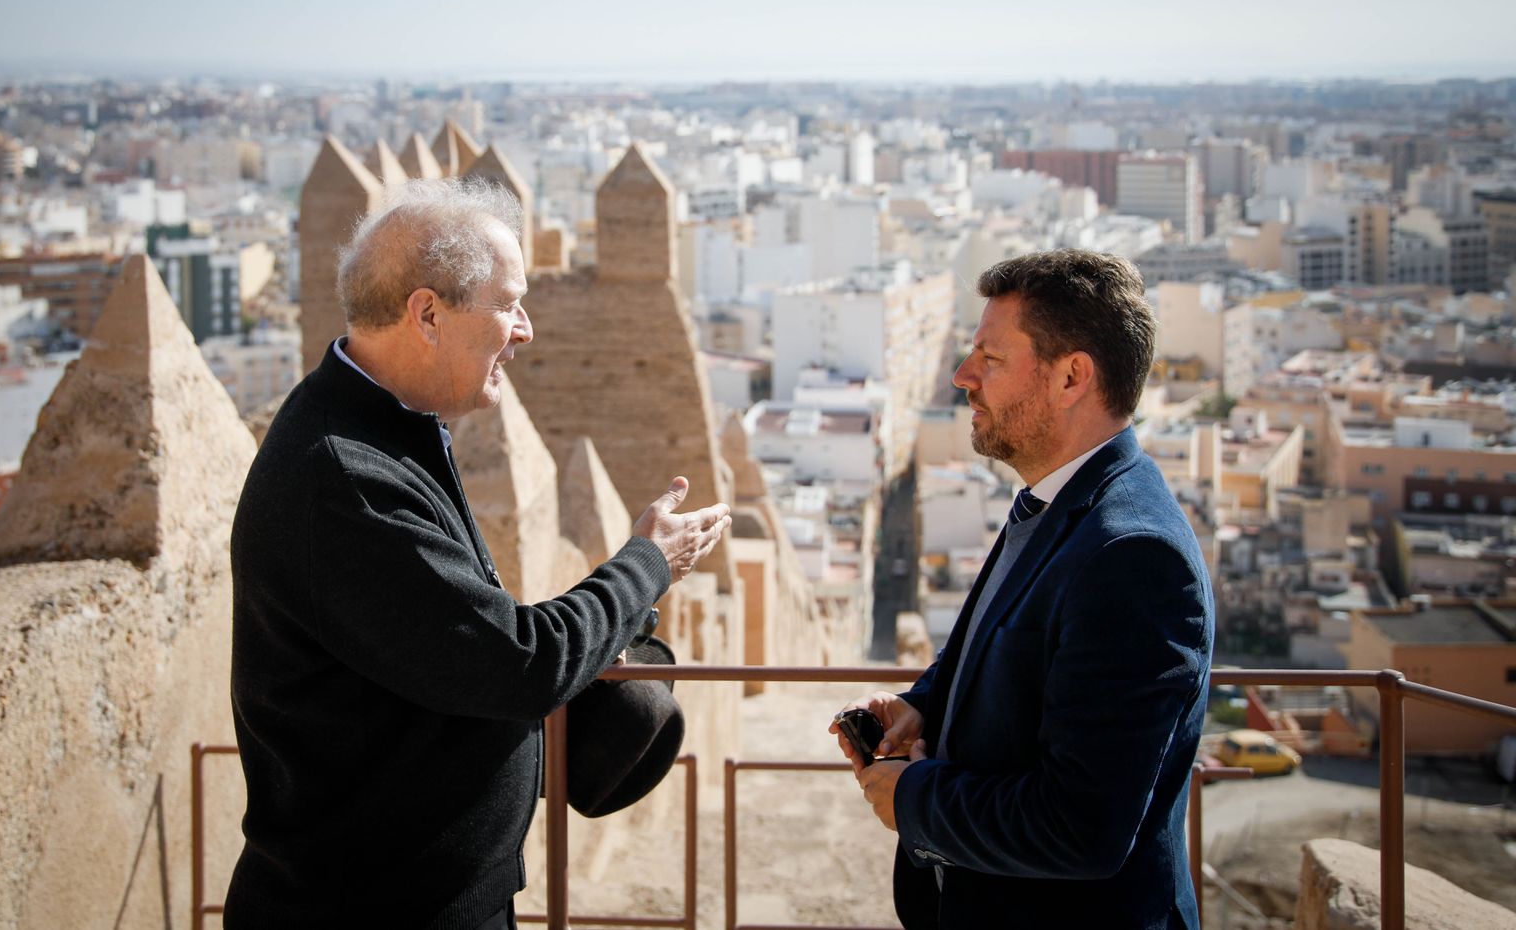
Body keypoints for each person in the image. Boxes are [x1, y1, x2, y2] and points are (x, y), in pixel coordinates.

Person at [225, 179, 730, 930]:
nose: (525, 329)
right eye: (508, 304)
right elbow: (519, 664)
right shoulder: (345, 477)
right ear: (426, 313)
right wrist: (648, 563)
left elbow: (451, 635)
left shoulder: (389, 427)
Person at [831, 249, 1214, 930]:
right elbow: (1004, 649)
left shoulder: (1132, 556)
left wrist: (914, 801)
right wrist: (926, 707)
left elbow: (1082, 826)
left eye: (991, 358)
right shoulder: (1054, 504)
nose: (962, 377)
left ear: (1071, 377)